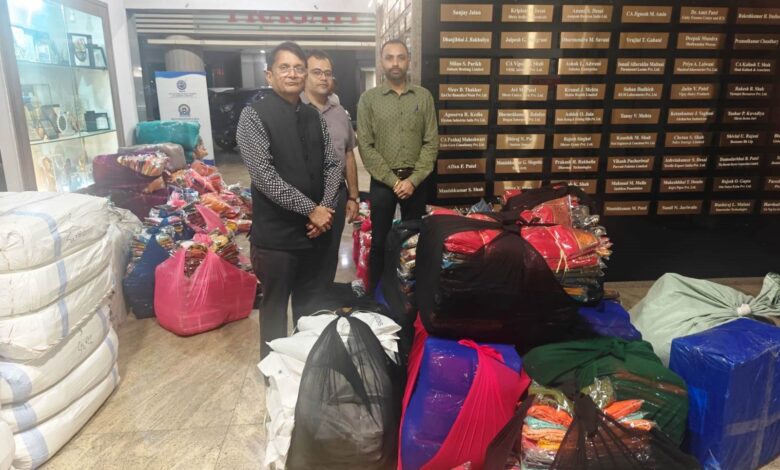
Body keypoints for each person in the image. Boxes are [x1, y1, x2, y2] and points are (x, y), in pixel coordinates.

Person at [236, 41, 343, 358]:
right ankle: (274, 372)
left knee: (310, 310)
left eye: (299, 68)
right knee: (274, 312)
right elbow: (264, 177)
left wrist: (326, 208)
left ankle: (305, 367)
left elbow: (332, 164)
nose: (293, 74)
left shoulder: (313, 116)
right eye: (284, 67)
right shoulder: (254, 116)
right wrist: (312, 210)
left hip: (315, 235)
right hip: (277, 240)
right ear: (269, 75)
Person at [357, 39, 439, 293]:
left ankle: (411, 295)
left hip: (416, 182)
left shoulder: (423, 97)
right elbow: (366, 146)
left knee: (414, 243)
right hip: (383, 183)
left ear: (408, 61)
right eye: (389, 57)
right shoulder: (369, 100)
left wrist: (413, 180)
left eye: (401, 57)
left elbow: (431, 142)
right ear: (381, 62)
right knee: (379, 243)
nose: (395, 63)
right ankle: (375, 295)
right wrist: (394, 182)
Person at [301, 50, 360, 287]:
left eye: (327, 73)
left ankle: (323, 301)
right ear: (305, 75)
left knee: (329, 257)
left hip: (336, 195)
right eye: (317, 72)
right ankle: (305, 307)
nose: (323, 78)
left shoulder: (340, 114)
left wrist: (353, 196)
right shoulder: (295, 110)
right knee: (305, 262)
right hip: (303, 199)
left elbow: (348, 155)